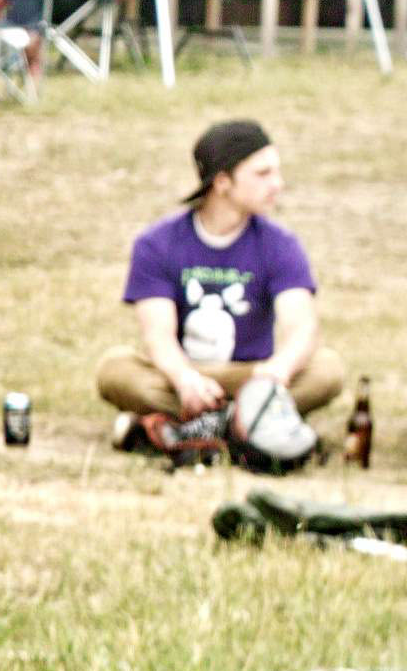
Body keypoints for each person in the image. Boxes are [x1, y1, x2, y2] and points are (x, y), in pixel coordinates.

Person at [97, 119, 345, 466]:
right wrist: (185, 379)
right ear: (222, 182)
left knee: (327, 369)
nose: (277, 184)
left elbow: (301, 326)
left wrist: (277, 372)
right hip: (186, 376)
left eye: (276, 172)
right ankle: (252, 426)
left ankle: (186, 430)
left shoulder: (280, 245)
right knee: (115, 370)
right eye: (263, 174)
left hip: (253, 375)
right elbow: (158, 336)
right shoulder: (157, 243)